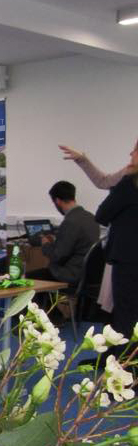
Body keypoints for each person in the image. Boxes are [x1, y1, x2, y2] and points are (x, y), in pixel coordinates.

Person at [61, 142, 138, 337]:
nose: (130, 153)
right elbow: (104, 181)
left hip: (128, 256)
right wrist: (83, 159)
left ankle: (123, 361)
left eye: (135, 149)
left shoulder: (130, 182)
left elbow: (102, 214)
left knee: (126, 311)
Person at [27, 181, 99, 287]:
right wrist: (58, 239)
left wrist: (46, 244)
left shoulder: (70, 221)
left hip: (70, 275)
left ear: (57, 201)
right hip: (89, 274)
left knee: (27, 278)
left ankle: (40, 304)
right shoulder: (91, 217)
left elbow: (58, 256)